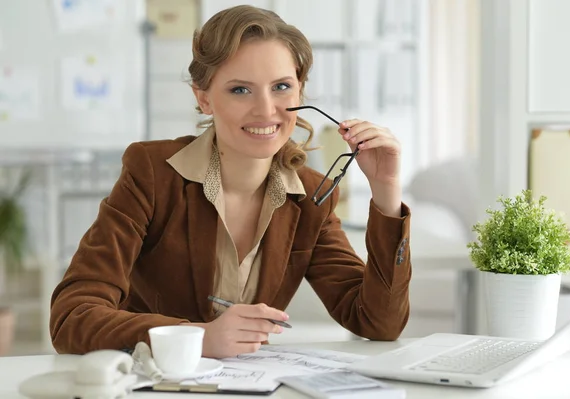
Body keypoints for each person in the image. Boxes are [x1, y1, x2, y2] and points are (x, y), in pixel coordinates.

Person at [49, 5, 412, 359]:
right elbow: (72, 317)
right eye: (240, 89)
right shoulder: (152, 173)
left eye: (282, 86)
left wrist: (386, 191)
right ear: (204, 97)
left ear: (300, 91)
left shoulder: (311, 197)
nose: (266, 109)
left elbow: (378, 323)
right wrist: (197, 338)